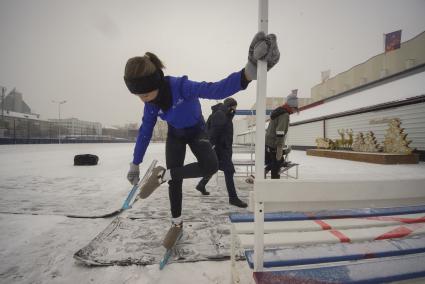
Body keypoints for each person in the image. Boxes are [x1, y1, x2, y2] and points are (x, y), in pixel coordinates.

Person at [123, 32, 279, 235]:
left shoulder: (180, 86)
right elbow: (145, 131)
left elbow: (215, 90)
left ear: (157, 82)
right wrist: (135, 163)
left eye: (145, 94)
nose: (143, 100)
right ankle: (176, 223)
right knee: (175, 182)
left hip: (196, 130)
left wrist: (247, 73)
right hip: (175, 135)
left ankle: (164, 175)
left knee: (211, 166)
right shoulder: (151, 105)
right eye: (139, 96)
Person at [196, 97, 248, 208]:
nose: (235, 109)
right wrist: (210, 148)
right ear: (230, 105)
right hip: (220, 149)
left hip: (222, 148)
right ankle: (233, 198)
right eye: (234, 107)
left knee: (214, 168)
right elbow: (214, 133)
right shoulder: (221, 114)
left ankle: (201, 184)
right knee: (229, 171)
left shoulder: (224, 114)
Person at [264, 91, 298, 179]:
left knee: (279, 161)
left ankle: (266, 170)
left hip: (269, 141)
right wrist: (279, 147)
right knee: (276, 165)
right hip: (274, 143)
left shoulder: (279, 111)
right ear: (292, 106)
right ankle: (274, 184)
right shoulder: (284, 114)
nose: (295, 111)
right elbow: (280, 131)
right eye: (295, 108)